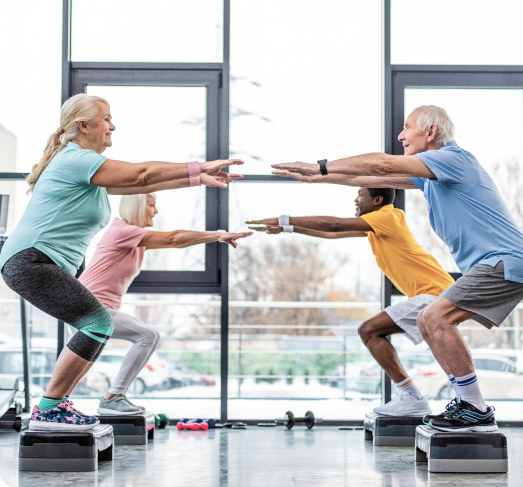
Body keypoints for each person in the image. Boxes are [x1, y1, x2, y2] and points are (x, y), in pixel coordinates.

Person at [271, 105, 523, 432]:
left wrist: (319, 165)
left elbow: (381, 162)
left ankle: (476, 407)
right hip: (496, 262)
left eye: (406, 129)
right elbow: (372, 176)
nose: (401, 136)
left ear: (430, 132)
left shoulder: (454, 159)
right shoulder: (432, 175)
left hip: (504, 259)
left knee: (434, 317)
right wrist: (319, 176)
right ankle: (468, 404)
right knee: (427, 318)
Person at [0, 93, 244, 431]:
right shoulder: (76, 160)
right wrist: (198, 166)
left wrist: (196, 178)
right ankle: (49, 410)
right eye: (106, 118)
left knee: (96, 326)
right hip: (31, 260)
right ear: (83, 126)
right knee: (98, 323)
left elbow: (147, 181)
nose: (113, 125)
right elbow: (141, 175)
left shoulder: (88, 172)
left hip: (38, 262)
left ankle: (57, 405)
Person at [247, 186, 455, 416]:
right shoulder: (377, 225)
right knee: (380, 334)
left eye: (360, 195)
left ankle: (413, 398)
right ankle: (428, 398)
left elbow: (334, 224)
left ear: (377, 200)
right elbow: (332, 234)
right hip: (434, 294)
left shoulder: (388, 216)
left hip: (435, 293)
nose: (356, 199)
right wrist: (287, 228)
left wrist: (284, 217)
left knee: (369, 331)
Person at [77, 193, 251, 415]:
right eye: (151, 205)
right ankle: (112, 398)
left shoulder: (134, 238)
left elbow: (176, 242)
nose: (155, 211)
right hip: (87, 305)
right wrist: (219, 235)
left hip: (90, 307)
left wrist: (213, 237)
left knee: (79, 362)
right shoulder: (121, 231)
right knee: (147, 336)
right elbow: (174, 238)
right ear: (137, 206)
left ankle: (67, 404)